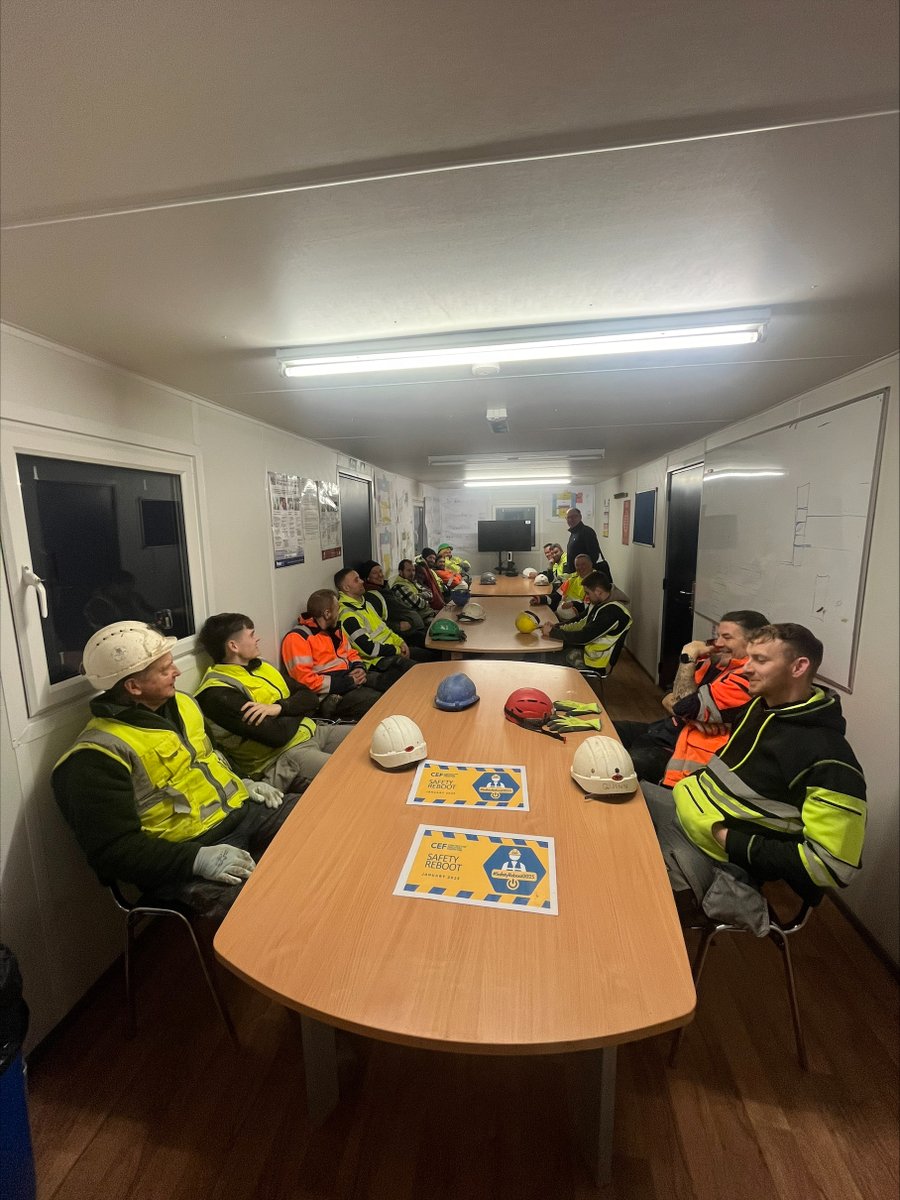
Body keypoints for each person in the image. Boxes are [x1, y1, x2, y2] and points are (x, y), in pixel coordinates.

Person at [53, 621, 302, 918]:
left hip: (243, 813)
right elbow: (113, 852)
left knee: (322, 821)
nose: (177, 673)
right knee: (274, 907)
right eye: (164, 670)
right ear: (134, 687)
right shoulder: (96, 756)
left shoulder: (182, 703)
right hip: (188, 854)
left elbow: (211, 756)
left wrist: (246, 782)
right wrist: (196, 859)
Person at [642, 623, 867, 934]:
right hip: (683, 814)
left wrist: (726, 838)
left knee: (618, 873)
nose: (745, 669)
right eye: (748, 659)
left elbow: (832, 865)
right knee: (612, 799)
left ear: (799, 667)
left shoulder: (830, 759)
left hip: (719, 861)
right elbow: (683, 706)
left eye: (760, 660)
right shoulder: (758, 709)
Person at [194, 613, 352, 793]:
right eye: (252, 635)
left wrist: (280, 708)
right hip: (286, 757)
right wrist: (297, 707)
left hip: (314, 730)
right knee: (350, 774)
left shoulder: (261, 666)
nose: (257, 638)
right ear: (233, 646)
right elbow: (278, 735)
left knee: (369, 738)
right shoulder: (217, 694)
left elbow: (310, 696)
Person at [614, 609, 768, 785]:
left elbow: (682, 705)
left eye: (727, 637)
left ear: (753, 642)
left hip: (686, 750)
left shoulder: (747, 677)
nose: (718, 643)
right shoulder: (714, 662)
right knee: (608, 730)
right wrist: (689, 715)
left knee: (620, 766)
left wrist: (687, 657)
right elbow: (671, 694)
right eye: (717, 635)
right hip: (670, 730)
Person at [281, 589, 382, 720]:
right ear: (327, 613)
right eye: (337, 609)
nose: (339, 613)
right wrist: (348, 682)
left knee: (388, 684)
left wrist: (358, 668)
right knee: (377, 702)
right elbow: (304, 681)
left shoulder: (334, 631)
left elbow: (351, 653)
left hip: (349, 680)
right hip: (328, 696)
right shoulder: (297, 638)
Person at [335, 567, 417, 690]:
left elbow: (385, 629)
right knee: (419, 673)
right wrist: (397, 650)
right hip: (377, 661)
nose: (362, 581)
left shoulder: (365, 603)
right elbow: (368, 649)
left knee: (430, 657)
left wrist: (400, 642)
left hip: (391, 650)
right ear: (346, 588)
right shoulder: (347, 615)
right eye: (356, 580)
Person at [539, 572, 632, 669]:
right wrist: (557, 627)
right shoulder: (600, 602)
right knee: (550, 652)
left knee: (549, 659)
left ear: (598, 591)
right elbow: (580, 620)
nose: (586, 597)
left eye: (587, 593)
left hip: (594, 660)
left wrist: (553, 633)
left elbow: (584, 637)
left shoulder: (612, 612)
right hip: (586, 649)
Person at [357, 559, 436, 657]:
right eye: (375, 573)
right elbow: (376, 620)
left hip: (412, 630)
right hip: (401, 636)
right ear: (367, 578)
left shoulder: (386, 589)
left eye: (380, 571)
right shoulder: (371, 596)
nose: (380, 575)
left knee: (437, 641)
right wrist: (397, 626)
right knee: (433, 653)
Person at [531, 553, 630, 613]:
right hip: (564, 614)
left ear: (591, 564)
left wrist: (573, 604)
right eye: (577, 565)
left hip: (580, 616)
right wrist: (540, 599)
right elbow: (556, 596)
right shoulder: (571, 580)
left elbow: (593, 606)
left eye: (583, 564)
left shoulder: (597, 581)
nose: (580, 567)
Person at [563, 507, 607, 578]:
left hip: (585, 575)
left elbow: (594, 555)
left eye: (574, 517)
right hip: (575, 575)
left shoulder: (587, 531)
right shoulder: (574, 533)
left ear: (580, 517)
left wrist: (586, 574)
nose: (571, 519)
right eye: (568, 517)